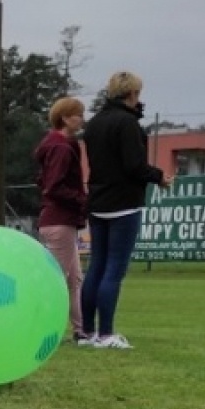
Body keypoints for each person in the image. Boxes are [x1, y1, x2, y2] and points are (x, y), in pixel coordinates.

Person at [81, 70, 168, 350]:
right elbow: (134, 165)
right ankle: (106, 334)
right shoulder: (127, 123)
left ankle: (87, 332)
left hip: (98, 202)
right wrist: (159, 177)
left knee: (96, 266)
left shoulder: (94, 123)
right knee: (114, 269)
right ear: (132, 94)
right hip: (123, 205)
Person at [34, 96, 88, 343]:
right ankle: (40, 328)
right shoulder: (62, 149)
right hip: (60, 221)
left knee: (74, 279)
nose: (82, 119)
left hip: (56, 219)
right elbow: (53, 187)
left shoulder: (55, 145)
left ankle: (81, 329)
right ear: (65, 118)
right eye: (78, 115)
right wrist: (83, 200)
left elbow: (43, 181)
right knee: (55, 280)